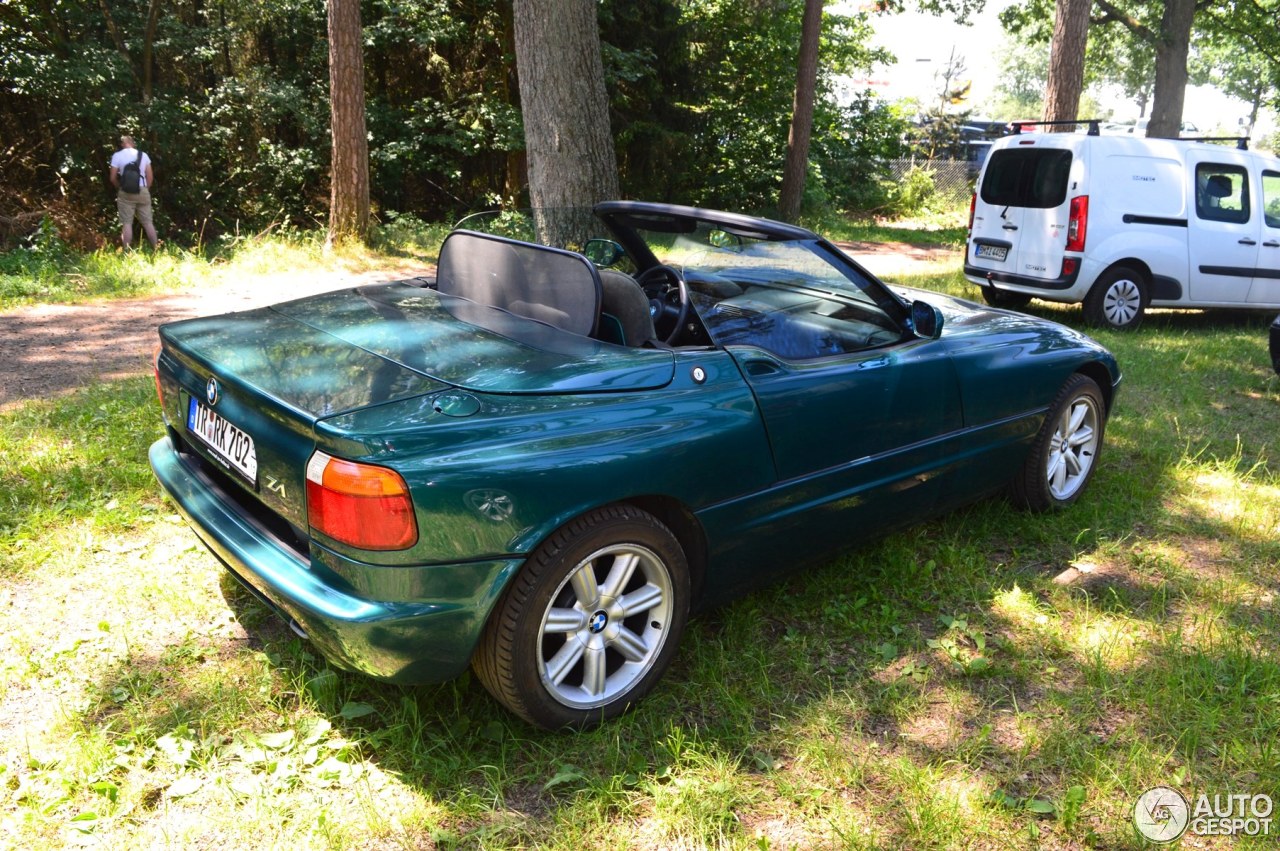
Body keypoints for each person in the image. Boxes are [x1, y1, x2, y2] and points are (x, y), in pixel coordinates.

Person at [108, 135, 159, 250]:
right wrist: (146, 188)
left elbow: (112, 178)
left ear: (122, 144)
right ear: (133, 143)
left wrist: (120, 187)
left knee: (127, 223)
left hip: (125, 191)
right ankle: (156, 249)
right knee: (147, 222)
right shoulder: (143, 155)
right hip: (142, 189)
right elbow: (150, 176)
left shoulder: (117, 156)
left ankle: (126, 251)